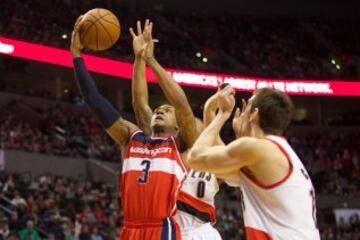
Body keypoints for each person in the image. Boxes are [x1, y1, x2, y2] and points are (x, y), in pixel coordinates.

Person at [70, 17, 187, 240]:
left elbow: (182, 106)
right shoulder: (131, 137)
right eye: (158, 110)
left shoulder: (180, 145)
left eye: (166, 110)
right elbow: (94, 99)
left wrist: (150, 59)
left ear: (179, 127)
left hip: (162, 229)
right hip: (130, 229)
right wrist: (77, 55)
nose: (159, 111)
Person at [188, 86, 321, 239]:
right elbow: (220, 170)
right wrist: (209, 112)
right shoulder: (274, 152)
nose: (242, 112)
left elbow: (195, 158)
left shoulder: (258, 149)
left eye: (247, 107)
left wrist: (222, 115)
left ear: (254, 114)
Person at [130, 20, 222, 240]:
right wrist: (140, 59)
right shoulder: (163, 150)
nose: (196, 131)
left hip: (199, 231)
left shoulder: (193, 152)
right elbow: (141, 106)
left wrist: (150, 59)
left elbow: (183, 109)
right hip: (170, 230)